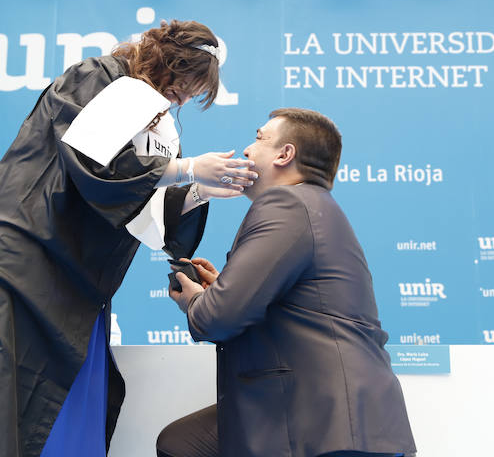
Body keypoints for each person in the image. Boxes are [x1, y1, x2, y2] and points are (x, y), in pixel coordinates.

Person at [0, 20, 257, 457]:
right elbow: (94, 164)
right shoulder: (101, 79)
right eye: (188, 82)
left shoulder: (156, 123)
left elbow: (141, 207)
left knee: (60, 401)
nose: (188, 96)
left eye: (197, 90)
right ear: (167, 62)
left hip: (72, 281)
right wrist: (188, 170)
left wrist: (196, 190)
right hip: (17, 260)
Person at [159, 108, 417, 457]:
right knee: (181, 444)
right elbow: (280, 302)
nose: (248, 150)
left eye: (259, 138)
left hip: (331, 426)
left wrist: (194, 301)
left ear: (285, 154)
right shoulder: (312, 206)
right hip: (325, 417)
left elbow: (217, 317)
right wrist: (223, 288)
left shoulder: (287, 204)